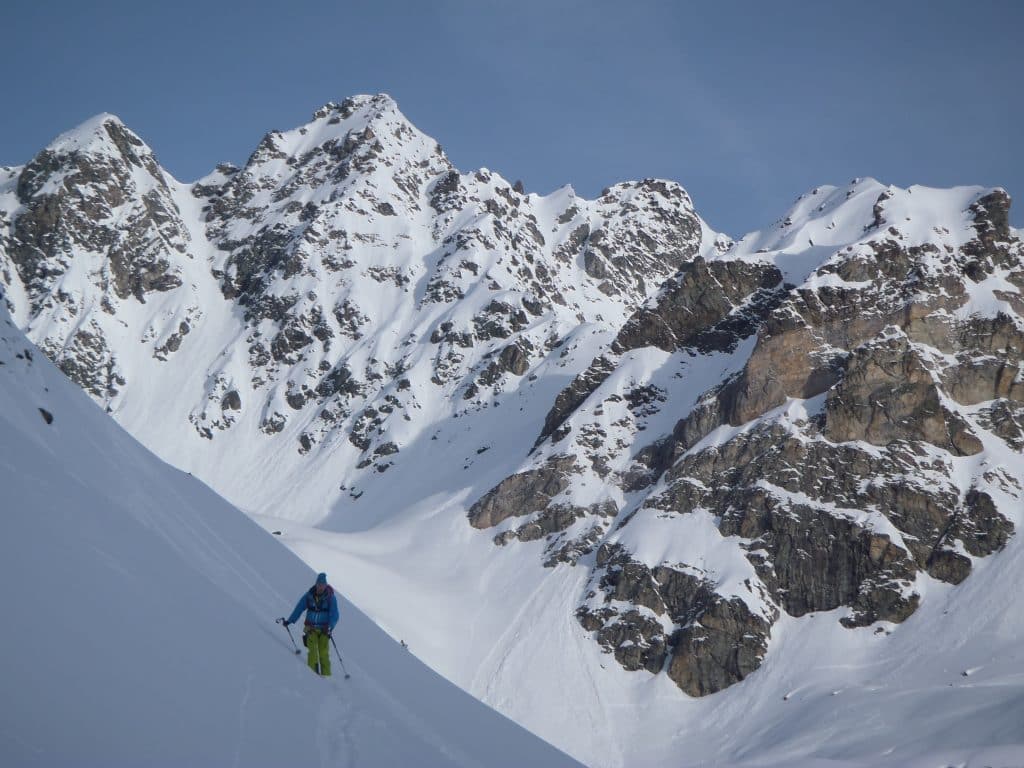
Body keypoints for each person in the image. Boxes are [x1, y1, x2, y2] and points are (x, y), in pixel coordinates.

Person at [282, 572, 340, 676]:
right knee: (312, 651)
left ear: (325, 585)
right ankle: (312, 676)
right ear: (316, 584)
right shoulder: (309, 596)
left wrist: (330, 627)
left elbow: (335, 615)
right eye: (319, 585)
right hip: (310, 628)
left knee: (323, 653)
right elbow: (299, 608)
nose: (320, 587)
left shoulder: (331, 598)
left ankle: (325, 677)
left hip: (324, 630)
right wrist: (290, 620)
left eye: (322, 585)